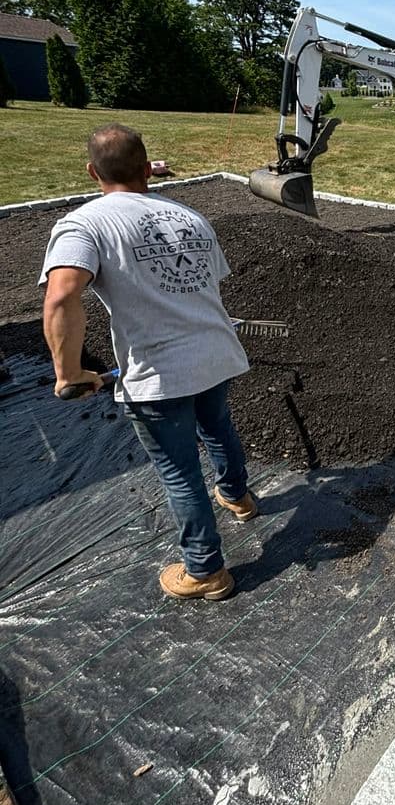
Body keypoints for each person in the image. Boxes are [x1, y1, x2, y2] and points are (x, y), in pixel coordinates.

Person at [40, 124, 255, 602]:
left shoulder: (84, 224)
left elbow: (61, 296)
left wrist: (68, 373)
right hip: (216, 352)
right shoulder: (189, 216)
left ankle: (205, 570)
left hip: (160, 372)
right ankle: (238, 497)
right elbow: (205, 283)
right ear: (147, 169)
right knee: (218, 428)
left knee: (180, 471)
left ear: (92, 172)